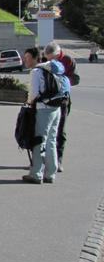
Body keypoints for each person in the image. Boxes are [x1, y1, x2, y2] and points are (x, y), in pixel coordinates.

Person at [21, 47, 63, 184]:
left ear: (34, 58)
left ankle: (36, 174)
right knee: (51, 140)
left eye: (27, 58)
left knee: (38, 141)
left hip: (43, 109)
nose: (25, 60)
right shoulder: (51, 68)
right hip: (56, 108)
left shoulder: (36, 72)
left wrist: (28, 103)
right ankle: (50, 173)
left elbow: (33, 94)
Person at [43, 41, 77, 172]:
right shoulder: (45, 60)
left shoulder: (68, 60)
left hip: (62, 100)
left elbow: (75, 78)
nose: (49, 62)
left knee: (60, 130)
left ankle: (58, 160)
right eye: (47, 59)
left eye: (52, 59)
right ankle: (41, 159)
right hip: (46, 100)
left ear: (58, 55)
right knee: (43, 130)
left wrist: (60, 83)